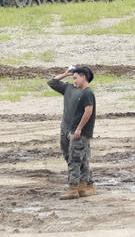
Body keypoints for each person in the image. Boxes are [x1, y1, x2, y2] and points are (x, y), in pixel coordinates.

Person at [48, 65, 97, 198]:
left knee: (77, 158)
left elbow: (88, 111)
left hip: (78, 131)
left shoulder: (86, 93)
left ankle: (77, 187)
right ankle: (86, 184)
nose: (74, 80)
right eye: (73, 78)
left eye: (76, 78)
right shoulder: (69, 88)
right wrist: (66, 74)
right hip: (67, 129)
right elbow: (52, 82)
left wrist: (79, 128)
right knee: (72, 157)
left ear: (84, 77)